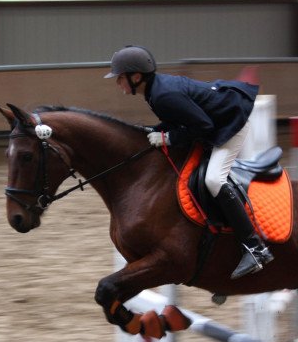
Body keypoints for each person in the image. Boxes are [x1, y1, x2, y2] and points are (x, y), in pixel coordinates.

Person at [104, 45, 273, 280]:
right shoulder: (154, 92)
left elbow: (204, 126)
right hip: (214, 120)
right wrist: (152, 131)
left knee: (213, 180)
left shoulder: (162, 95)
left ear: (136, 77)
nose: (117, 83)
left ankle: (255, 248)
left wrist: (168, 137)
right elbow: (178, 120)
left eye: (120, 78)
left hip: (230, 123)